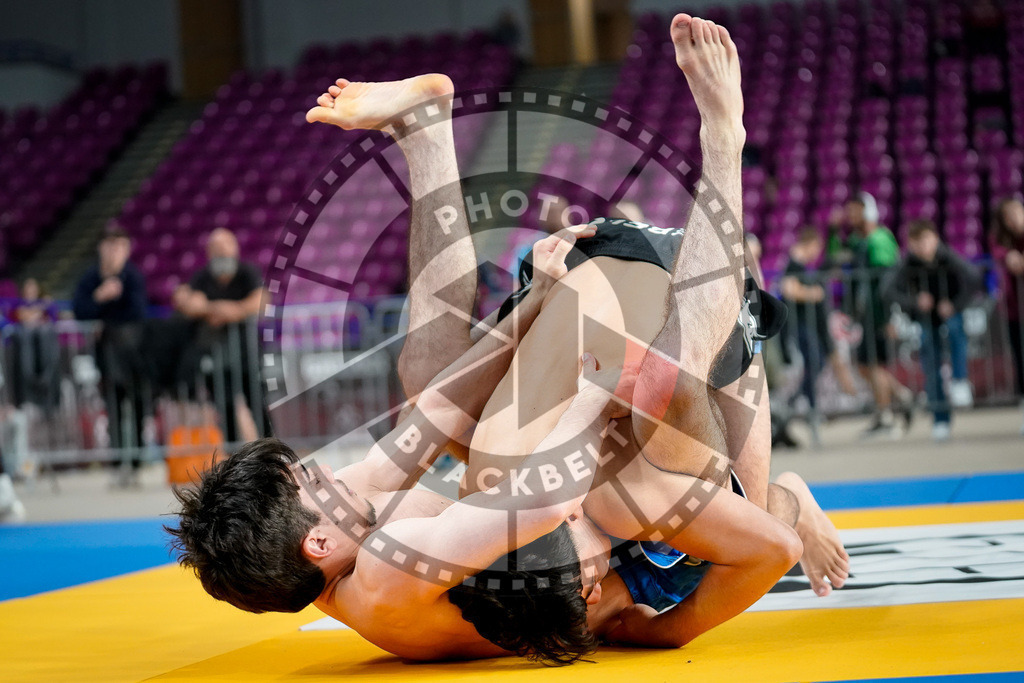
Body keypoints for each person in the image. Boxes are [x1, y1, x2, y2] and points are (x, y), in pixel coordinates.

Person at [169, 15, 845, 664]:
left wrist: (534, 306)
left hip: (605, 412)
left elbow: (433, 420)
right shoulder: (383, 578)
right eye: (315, 480)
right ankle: (724, 139)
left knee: (429, 384)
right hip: (652, 444)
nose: (331, 470)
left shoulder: (335, 537)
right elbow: (548, 501)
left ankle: (426, 134)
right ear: (317, 541)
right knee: (664, 402)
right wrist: (594, 392)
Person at [883, 220, 981, 440]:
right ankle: (940, 419)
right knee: (931, 364)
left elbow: (974, 277)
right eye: (917, 243)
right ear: (911, 244)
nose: (923, 247)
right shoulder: (908, 262)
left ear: (935, 239)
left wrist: (954, 304)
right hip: (926, 319)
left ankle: (960, 380)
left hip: (951, 311)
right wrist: (915, 301)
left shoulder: (948, 256)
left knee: (956, 332)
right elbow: (887, 290)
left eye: (926, 241)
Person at [827, 192, 913, 438]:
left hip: (881, 313)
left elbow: (889, 280)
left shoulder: (880, 239)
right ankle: (901, 397)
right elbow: (835, 256)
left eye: (855, 210)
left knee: (874, 364)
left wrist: (890, 317)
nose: (851, 215)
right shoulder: (858, 240)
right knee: (866, 366)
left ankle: (886, 415)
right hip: (867, 314)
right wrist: (833, 232)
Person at [173, 228, 268, 443]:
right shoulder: (202, 276)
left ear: (235, 249)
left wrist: (228, 311)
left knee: (258, 404)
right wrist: (226, 310)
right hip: (216, 356)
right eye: (216, 248)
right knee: (224, 409)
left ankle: (271, 451)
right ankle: (235, 455)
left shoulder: (247, 272)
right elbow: (189, 304)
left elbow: (261, 300)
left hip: (247, 354)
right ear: (209, 252)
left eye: (226, 247)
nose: (222, 253)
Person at [72, 228, 150, 472]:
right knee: (113, 405)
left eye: (120, 246)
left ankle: (137, 458)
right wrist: (100, 297)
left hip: (133, 352)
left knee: (137, 403)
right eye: (110, 245)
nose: (114, 251)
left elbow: (137, 311)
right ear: (101, 248)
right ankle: (117, 459)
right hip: (106, 354)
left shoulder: (133, 276)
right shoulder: (91, 277)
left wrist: (104, 316)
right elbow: (80, 310)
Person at [780, 228, 859, 445]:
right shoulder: (793, 264)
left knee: (816, 363)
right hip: (799, 326)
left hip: (808, 326)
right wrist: (813, 294)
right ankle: (804, 408)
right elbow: (789, 289)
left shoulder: (800, 264)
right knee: (814, 362)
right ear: (811, 243)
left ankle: (794, 403)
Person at [989, 198, 1024, 434]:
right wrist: (1009, 255)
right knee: (1021, 361)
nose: (1014, 219)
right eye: (1008, 216)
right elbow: (998, 251)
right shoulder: (1000, 239)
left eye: (1017, 212)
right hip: (1015, 311)